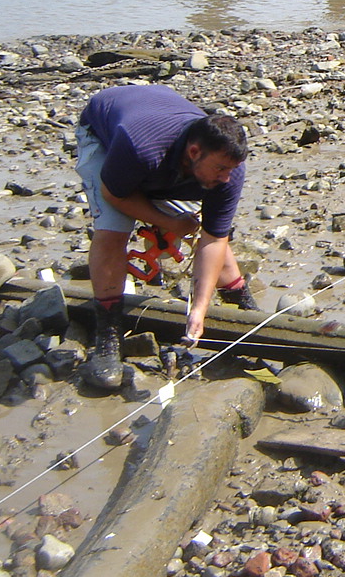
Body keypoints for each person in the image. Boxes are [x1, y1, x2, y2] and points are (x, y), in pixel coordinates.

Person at [75, 84, 253, 390]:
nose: (226, 177)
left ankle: (243, 303)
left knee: (206, 227)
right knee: (113, 230)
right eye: (221, 168)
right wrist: (168, 222)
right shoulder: (139, 147)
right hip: (105, 133)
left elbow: (214, 239)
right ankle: (108, 333)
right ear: (195, 152)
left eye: (230, 170)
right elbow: (114, 195)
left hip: (162, 134)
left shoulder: (229, 171)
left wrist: (199, 307)